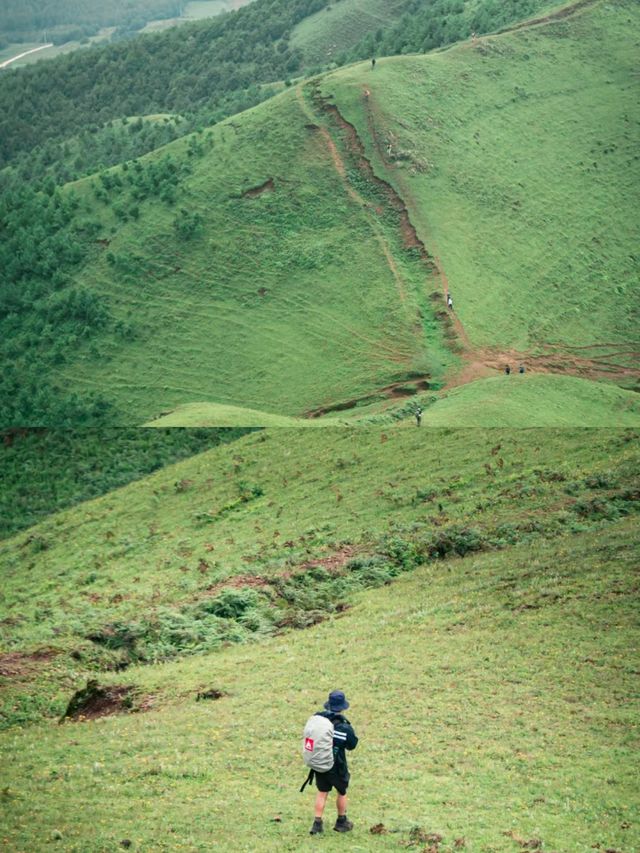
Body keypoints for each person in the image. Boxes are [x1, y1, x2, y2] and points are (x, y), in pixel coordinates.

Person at [308, 690, 358, 835]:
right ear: (342, 707)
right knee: (342, 791)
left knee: (322, 792)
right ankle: (341, 821)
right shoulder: (343, 726)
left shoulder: (319, 721)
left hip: (320, 762)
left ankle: (317, 824)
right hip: (337, 765)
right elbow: (352, 745)